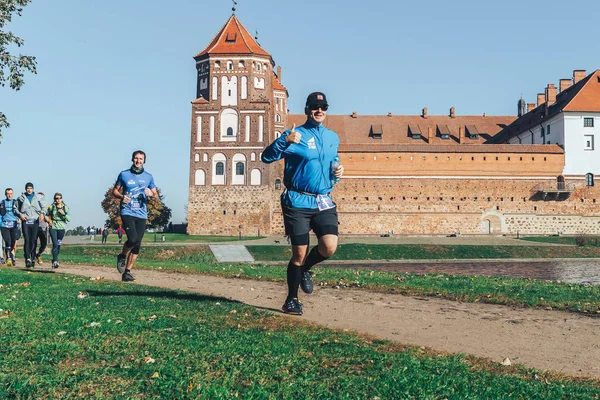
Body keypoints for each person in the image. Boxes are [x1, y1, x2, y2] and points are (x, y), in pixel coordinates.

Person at [261, 92, 344, 316]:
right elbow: (266, 157)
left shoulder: (332, 137)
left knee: (329, 247)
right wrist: (283, 141)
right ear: (307, 109)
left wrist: (337, 172)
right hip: (297, 200)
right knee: (298, 253)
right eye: (315, 107)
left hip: (323, 200)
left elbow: (332, 164)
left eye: (323, 107)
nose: (319, 110)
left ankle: (306, 269)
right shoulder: (295, 134)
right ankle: (291, 299)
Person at [113, 150, 157, 282]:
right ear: (132, 159)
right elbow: (114, 191)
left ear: (144, 161)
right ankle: (122, 255)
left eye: (141, 159)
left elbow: (155, 196)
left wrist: (151, 194)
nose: (138, 161)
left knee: (137, 244)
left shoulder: (149, 177)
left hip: (141, 214)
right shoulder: (124, 174)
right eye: (136, 158)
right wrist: (121, 196)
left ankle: (127, 272)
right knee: (132, 239)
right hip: (127, 211)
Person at [14, 182, 46, 268]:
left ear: (33, 189)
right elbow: (15, 208)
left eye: (31, 188)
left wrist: (42, 213)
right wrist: (20, 215)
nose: (29, 190)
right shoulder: (21, 198)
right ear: (25, 189)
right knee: (27, 240)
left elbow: (44, 207)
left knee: (33, 240)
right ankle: (27, 258)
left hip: (35, 221)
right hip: (26, 221)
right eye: (28, 188)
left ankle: (32, 258)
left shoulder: (38, 197)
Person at [46, 192, 70, 269]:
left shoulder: (65, 207)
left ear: (61, 199)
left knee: (58, 245)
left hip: (61, 228)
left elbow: (69, 219)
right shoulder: (52, 207)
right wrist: (49, 221)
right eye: (56, 198)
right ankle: (56, 261)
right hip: (53, 227)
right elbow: (46, 215)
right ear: (54, 199)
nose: (58, 200)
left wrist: (63, 214)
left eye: (59, 198)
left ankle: (54, 259)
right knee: (55, 244)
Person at [0, 188, 20, 266]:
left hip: (14, 225)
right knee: (7, 241)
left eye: (11, 193)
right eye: (8, 193)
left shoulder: (16, 202)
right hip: (5, 225)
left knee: (13, 242)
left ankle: (12, 256)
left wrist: (19, 220)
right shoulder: (2, 203)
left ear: (13, 194)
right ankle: (8, 257)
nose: (9, 195)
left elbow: (20, 212)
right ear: (5, 194)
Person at [34, 192, 49, 265]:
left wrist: (49, 222)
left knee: (44, 243)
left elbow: (49, 215)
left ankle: (39, 254)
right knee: (34, 242)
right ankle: (32, 258)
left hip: (43, 227)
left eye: (42, 197)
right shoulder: (34, 206)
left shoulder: (46, 206)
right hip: (35, 226)